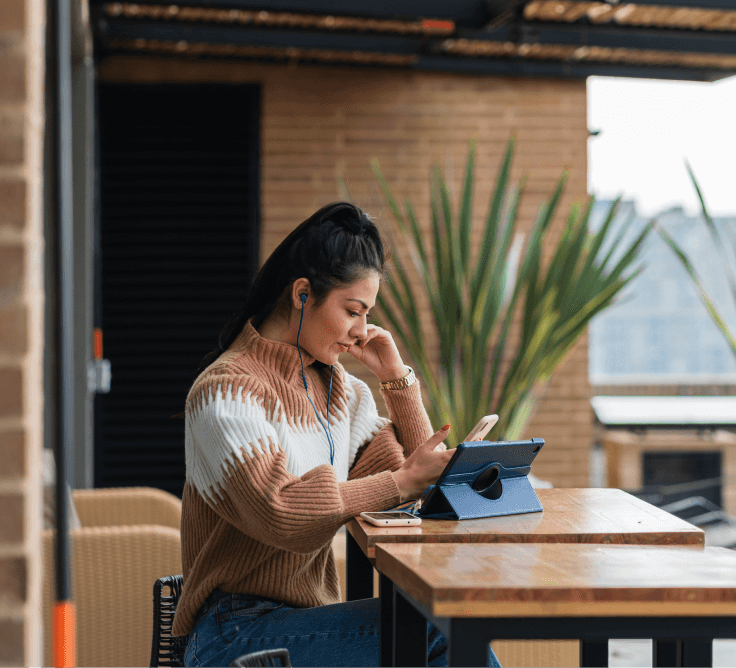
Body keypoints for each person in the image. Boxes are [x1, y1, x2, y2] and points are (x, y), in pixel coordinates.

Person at [176, 201, 500, 667]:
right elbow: (281, 513)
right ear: (302, 294)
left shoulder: (337, 390)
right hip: (233, 635)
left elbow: (423, 481)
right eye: (353, 310)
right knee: (438, 630)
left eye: (367, 314)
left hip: (309, 622)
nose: (360, 331)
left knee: (442, 623)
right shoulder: (226, 391)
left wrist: (396, 378)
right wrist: (404, 481)